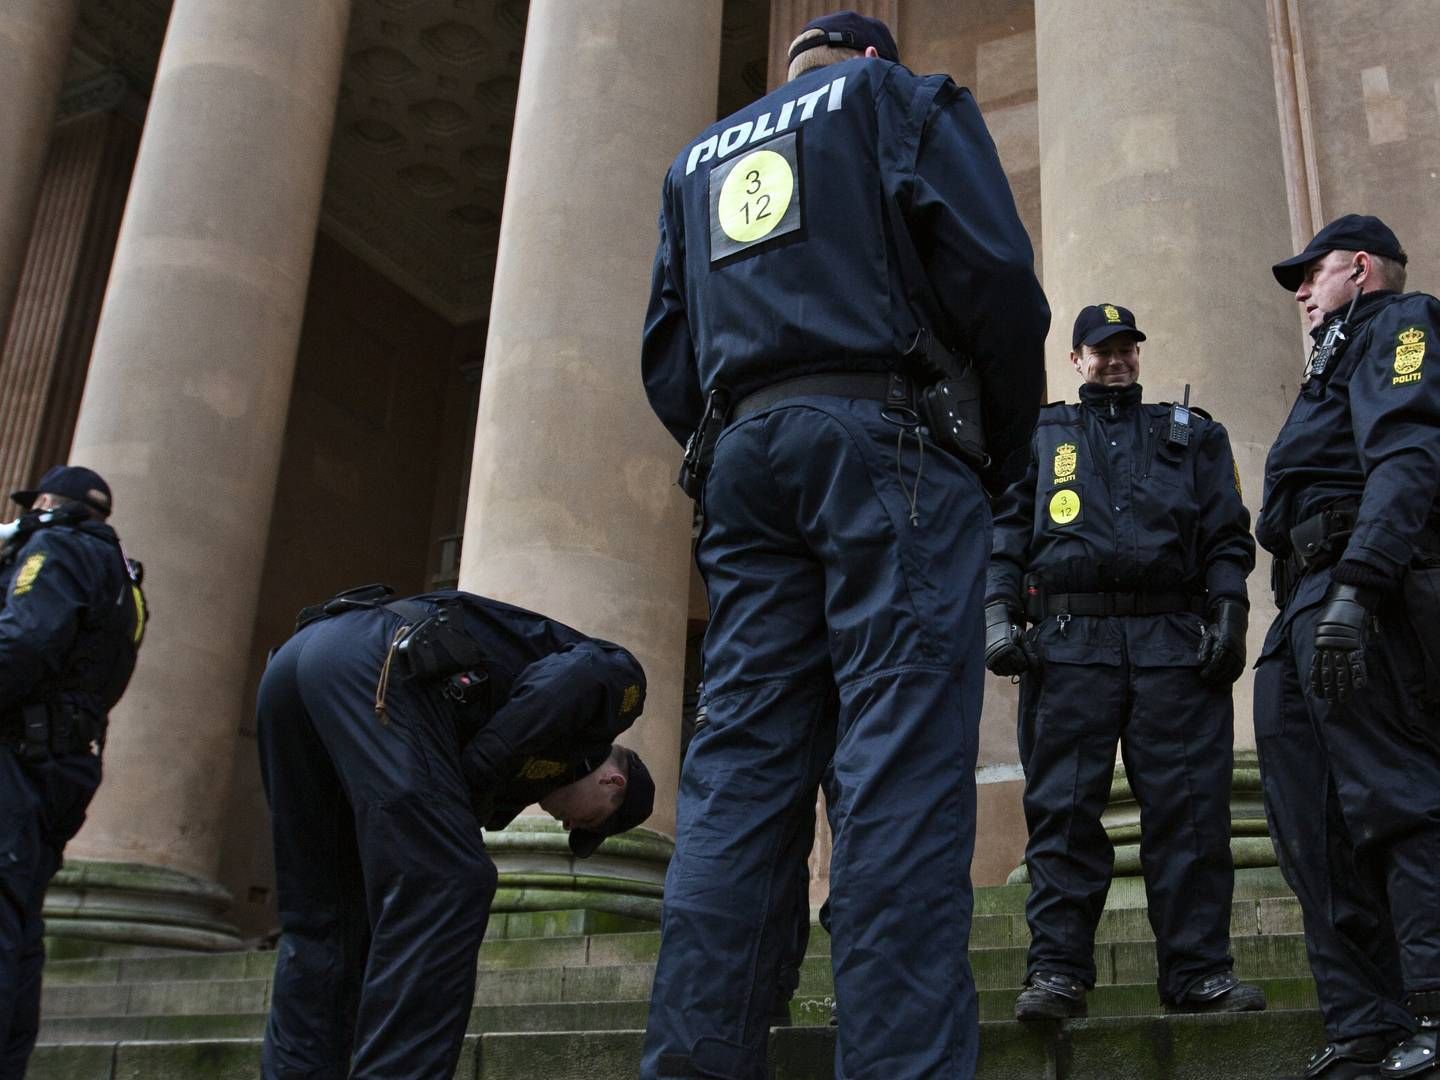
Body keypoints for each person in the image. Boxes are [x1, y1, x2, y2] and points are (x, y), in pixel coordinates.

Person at [639, 8, 1049, 1076]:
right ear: (873, 55)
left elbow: (669, 357)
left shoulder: (696, 160)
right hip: (890, 440)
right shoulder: (900, 100)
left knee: (737, 774)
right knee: (898, 768)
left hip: (745, 458)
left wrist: (751, 430)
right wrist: (1000, 455)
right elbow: (997, 278)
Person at [985, 304, 1263, 1021]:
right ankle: (1056, 974)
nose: (1116, 360)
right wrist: (996, 612)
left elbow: (1229, 534)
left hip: (1172, 643)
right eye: (1101, 350)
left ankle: (1199, 974)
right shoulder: (1040, 435)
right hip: (1070, 644)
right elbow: (1007, 532)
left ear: (1139, 355)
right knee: (1065, 815)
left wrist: (1230, 614)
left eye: (1126, 348)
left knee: (1192, 815)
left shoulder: (1193, 436)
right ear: (1076, 359)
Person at [257, 584, 655, 1080]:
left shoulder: (515, 781)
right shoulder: (619, 694)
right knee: (448, 883)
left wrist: (473, 776)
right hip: (376, 664)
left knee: (330, 920)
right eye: (589, 823)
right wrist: (480, 766)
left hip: (298, 670)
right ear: (614, 782)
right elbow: (583, 671)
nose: (569, 824)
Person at [1254, 214, 1440, 1080]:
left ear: (1360, 268)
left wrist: (1360, 588)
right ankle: (1363, 1022)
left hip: (1356, 591)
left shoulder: (1399, 326)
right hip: (1300, 603)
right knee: (1307, 824)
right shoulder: (1327, 358)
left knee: (1395, 800)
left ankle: (1433, 1010)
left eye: (1312, 272)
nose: (1300, 289)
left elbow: (1407, 455)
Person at [0, 465, 145, 1077]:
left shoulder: (53, 548)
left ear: (50, 503)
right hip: (67, 761)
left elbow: (21, 646)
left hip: (20, 754)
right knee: (19, 920)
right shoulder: (125, 577)